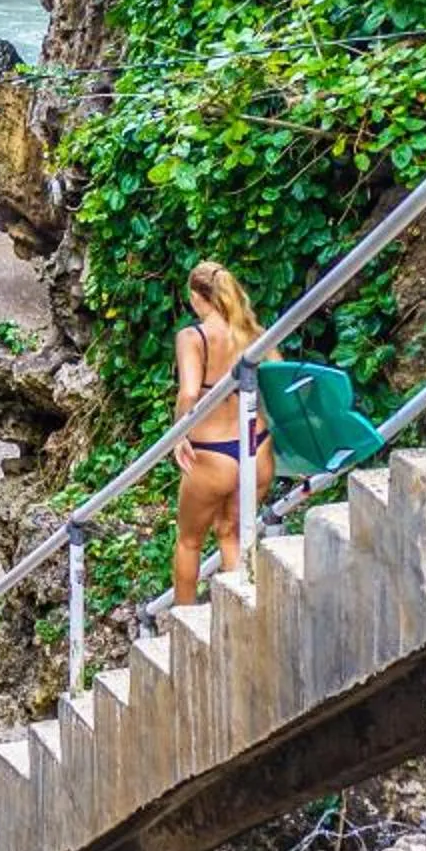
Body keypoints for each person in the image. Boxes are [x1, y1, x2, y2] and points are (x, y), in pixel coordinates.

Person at [171, 259, 276, 610]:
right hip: (256, 448)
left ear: (196, 297)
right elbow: (280, 380)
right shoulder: (251, 333)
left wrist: (178, 434)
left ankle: (183, 624)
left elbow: (188, 392)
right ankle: (247, 610)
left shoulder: (193, 336)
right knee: (231, 531)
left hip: (212, 453)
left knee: (189, 542)